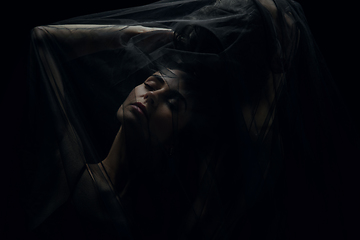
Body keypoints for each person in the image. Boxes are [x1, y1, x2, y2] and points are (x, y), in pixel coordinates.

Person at [22, 0, 358, 239]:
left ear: (177, 140)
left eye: (174, 102)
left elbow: (261, 141)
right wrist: (131, 34)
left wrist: (276, 72)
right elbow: (43, 39)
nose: (150, 95)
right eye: (151, 83)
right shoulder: (70, 174)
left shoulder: (174, 221)